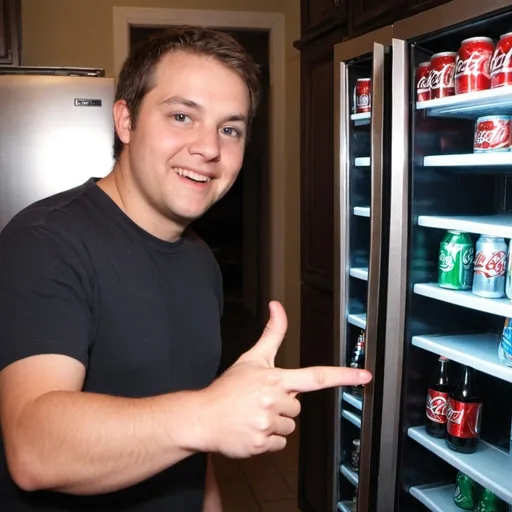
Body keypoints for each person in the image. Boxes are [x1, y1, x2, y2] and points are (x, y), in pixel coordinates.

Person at [0, 26, 372, 512]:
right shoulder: (44, 242)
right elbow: (35, 448)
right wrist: (211, 413)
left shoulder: (200, 261)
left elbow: (190, 444)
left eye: (230, 129)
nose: (209, 149)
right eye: (181, 116)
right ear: (126, 120)